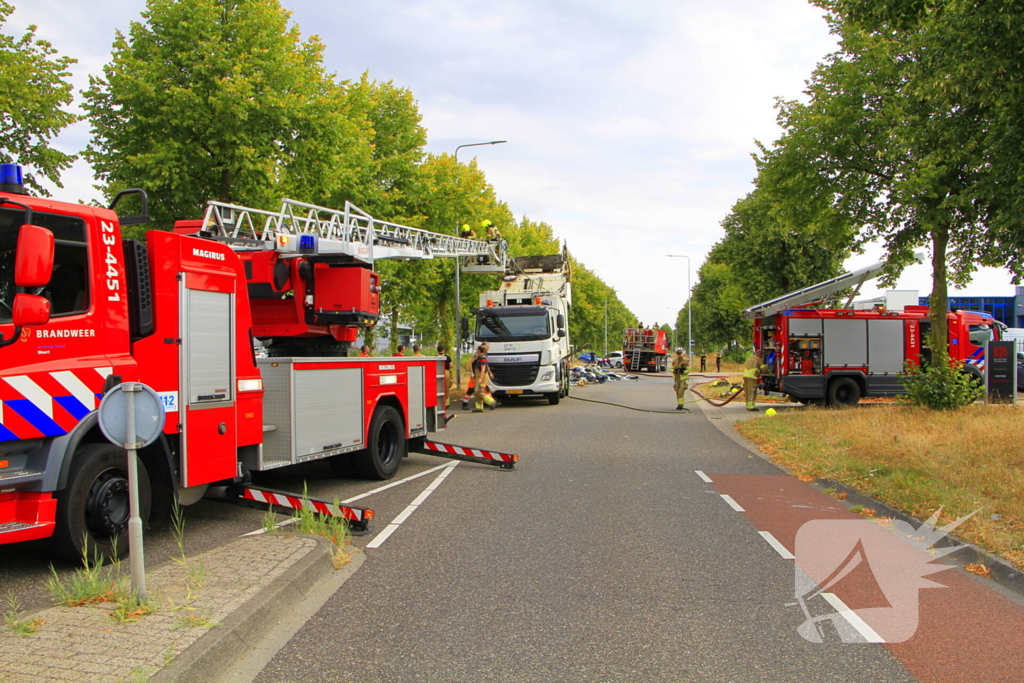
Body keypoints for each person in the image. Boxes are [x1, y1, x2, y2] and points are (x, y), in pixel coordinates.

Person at [471, 343, 498, 412]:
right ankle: (479, 408)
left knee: (478, 392)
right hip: (479, 375)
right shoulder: (480, 358)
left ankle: (492, 402)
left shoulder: (482, 358)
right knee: (477, 392)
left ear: (480, 351)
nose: (476, 351)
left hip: (481, 376)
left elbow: (483, 369)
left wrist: (480, 378)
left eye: (477, 349)